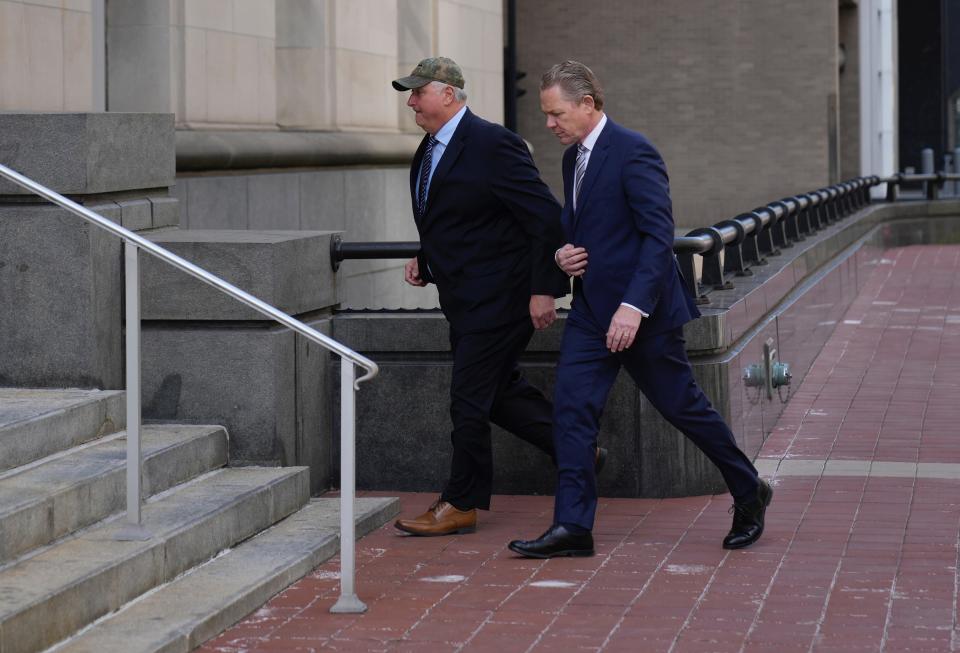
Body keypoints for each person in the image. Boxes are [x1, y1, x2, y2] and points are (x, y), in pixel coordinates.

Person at [508, 61, 771, 558]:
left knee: (683, 408)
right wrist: (563, 255)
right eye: (546, 115)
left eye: (555, 113)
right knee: (570, 411)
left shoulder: (634, 152)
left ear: (588, 105)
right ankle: (573, 527)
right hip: (590, 312)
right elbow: (583, 229)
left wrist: (633, 308)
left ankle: (748, 488)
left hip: (641, 314)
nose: (549, 124)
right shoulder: (573, 160)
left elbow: (658, 239)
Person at [390, 57, 586, 537]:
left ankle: (461, 503)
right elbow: (449, 214)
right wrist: (426, 257)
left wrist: (544, 289)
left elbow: (544, 218)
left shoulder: (493, 143)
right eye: (410, 93)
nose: (411, 101)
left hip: (503, 297)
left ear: (449, 95)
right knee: (495, 394)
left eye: (418, 92)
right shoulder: (430, 146)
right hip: (465, 296)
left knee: (467, 399)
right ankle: (577, 451)